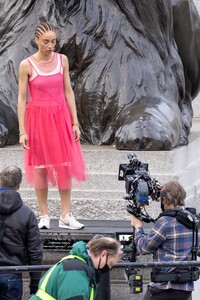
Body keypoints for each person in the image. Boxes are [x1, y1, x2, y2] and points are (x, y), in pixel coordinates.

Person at [17, 22, 87, 230]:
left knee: (64, 166)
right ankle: (44, 215)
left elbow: (68, 92)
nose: (50, 45)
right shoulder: (26, 65)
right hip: (37, 119)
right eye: (46, 41)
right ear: (36, 40)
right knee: (40, 168)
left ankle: (65, 215)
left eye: (53, 41)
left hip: (60, 118)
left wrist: (75, 121)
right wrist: (22, 131)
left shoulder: (62, 60)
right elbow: (22, 98)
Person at [131, 180, 198, 300]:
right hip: (186, 291)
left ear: (165, 200)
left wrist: (138, 227)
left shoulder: (165, 222)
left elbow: (143, 248)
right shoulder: (193, 221)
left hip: (164, 289)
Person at [30, 236, 121, 300]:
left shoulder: (77, 266)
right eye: (110, 264)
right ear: (103, 254)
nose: (109, 268)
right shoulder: (76, 271)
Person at [0, 166, 43, 300]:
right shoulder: (26, 214)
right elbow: (35, 252)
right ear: (19, 185)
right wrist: (35, 284)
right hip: (12, 274)